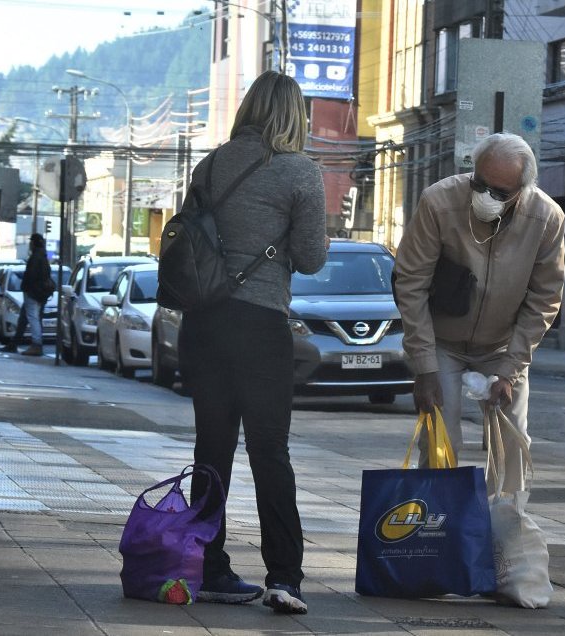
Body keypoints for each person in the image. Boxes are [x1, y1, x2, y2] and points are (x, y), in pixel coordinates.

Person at [178, 70, 329, 614]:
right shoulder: (298, 171)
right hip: (260, 325)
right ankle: (284, 577)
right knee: (269, 451)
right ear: (294, 115)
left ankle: (207, 566)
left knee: (211, 449)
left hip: (203, 322)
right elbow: (311, 258)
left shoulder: (211, 164)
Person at [392, 132, 565, 493]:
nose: (487, 198)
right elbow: (411, 284)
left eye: (501, 193)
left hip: (502, 344)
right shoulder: (439, 202)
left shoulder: (546, 218)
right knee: (442, 440)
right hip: (444, 341)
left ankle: (505, 531)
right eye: (480, 185)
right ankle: (438, 525)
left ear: (523, 189)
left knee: (513, 443)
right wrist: (425, 367)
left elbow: (545, 298)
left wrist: (510, 370)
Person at [0, 233, 53, 356]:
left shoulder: (36, 257)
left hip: (33, 293)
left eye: (31, 242)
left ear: (33, 243)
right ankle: (14, 344)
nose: (29, 244)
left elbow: (32, 276)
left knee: (33, 318)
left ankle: (36, 345)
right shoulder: (42, 256)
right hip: (37, 293)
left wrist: (27, 288)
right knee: (24, 319)